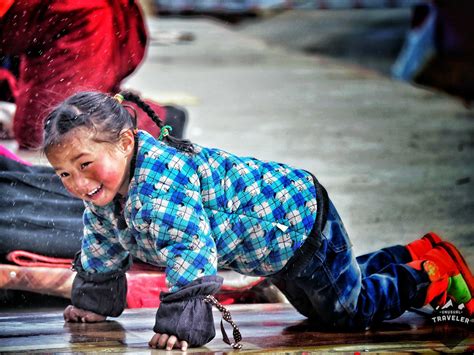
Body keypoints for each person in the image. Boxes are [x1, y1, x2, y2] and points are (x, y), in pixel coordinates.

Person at [42, 90, 473, 351]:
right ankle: (414, 253)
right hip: (272, 245)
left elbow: (190, 252)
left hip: (295, 221)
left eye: (84, 164)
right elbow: (102, 245)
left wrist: (180, 328)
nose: (77, 182)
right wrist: (93, 303)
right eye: (64, 173)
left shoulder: (161, 184)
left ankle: (432, 274)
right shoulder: (106, 193)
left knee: (345, 311)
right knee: (322, 301)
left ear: (124, 142)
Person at [0, 0, 186, 149]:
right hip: (34, 31)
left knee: (53, 130)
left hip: (77, 17)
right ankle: (96, 95)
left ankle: (155, 119)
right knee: (34, 128)